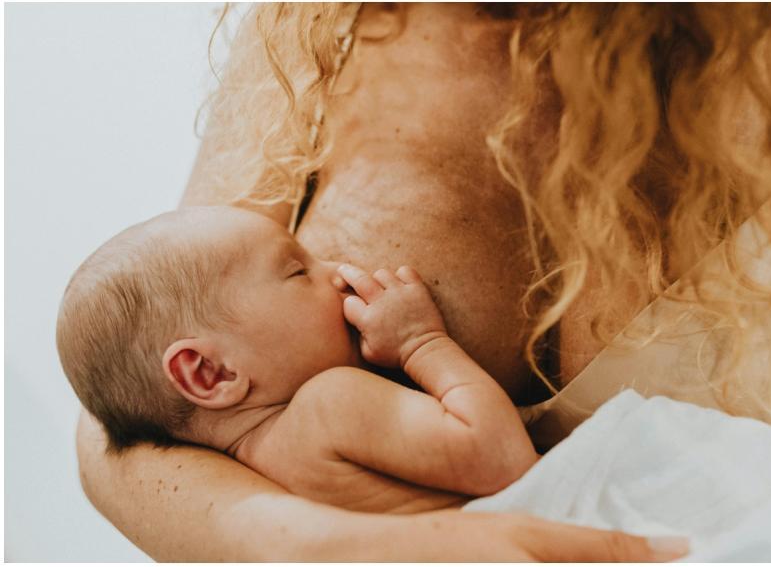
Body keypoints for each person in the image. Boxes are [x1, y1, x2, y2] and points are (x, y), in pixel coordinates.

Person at [74, 3, 771, 561]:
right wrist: (342, 548)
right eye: (297, 268)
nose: (335, 277)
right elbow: (125, 430)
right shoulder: (321, 29)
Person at [59, 205, 539, 512]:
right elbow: (504, 460)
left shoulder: (251, 479)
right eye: (296, 270)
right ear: (212, 373)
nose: (335, 271)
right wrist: (422, 343)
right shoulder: (329, 403)